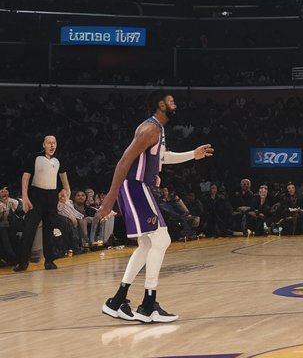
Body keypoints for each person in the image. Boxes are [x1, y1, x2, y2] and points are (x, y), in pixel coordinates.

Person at [94, 92, 213, 323]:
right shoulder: (150, 129)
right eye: (170, 99)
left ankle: (117, 300)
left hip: (140, 187)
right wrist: (110, 198)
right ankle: (148, 305)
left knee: (148, 244)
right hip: (135, 186)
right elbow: (124, 161)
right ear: (160, 104)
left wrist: (192, 155)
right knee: (161, 240)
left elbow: (162, 158)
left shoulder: (159, 129)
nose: (174, 102)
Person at [14, 134, 71, 271]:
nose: (52, 145)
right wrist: (25, 197)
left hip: (51, 197)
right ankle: (23, 262)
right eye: (49, 143)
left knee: (49, 230)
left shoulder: (58, 160)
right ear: (43, 145)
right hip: (36, 196)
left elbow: (63, 177)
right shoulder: (35, 158)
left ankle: (49, 261)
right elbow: (25, 178)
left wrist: (67, 191)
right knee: (29, 230)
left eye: (54, 143)